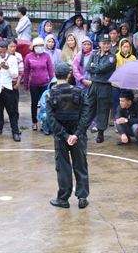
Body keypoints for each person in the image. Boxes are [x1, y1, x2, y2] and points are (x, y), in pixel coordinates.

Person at [46, 62, 94, 209]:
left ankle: (63, 198)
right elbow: (86, 115)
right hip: (77, 136)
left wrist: (65, 135)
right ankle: (82, 197)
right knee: (80, 164)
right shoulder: (79, 92)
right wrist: (76, 134)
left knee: (63, 167)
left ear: (54, 75)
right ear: (69, 75)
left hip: (61, 137)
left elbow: (51, 120)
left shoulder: (50, 94)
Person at [85, 33, 116, 143]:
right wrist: (94, 67)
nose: (106, 45)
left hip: (104, 86)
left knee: (103, 109)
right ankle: (83, 131)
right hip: (93, 85)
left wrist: (95, 67)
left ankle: (101, 132)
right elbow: (88, 67)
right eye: (104, 43)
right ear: (99, 44)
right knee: (89, 107)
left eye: (108, 43)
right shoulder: (94, 54)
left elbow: (104, 68)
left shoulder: (112, 56)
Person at [24, 37, 55, 131]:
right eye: (38, 46)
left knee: (45, 103)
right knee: (34, 103)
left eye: (42, 46)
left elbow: (50, 70)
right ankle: (34, 122)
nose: (40, 47)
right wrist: (25, 84)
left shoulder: (46, 56)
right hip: (34, 84)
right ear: (34, 47)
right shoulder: (29, 57)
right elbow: (26, 71)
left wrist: (52, 84)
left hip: (45, 84)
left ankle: (44, 121)